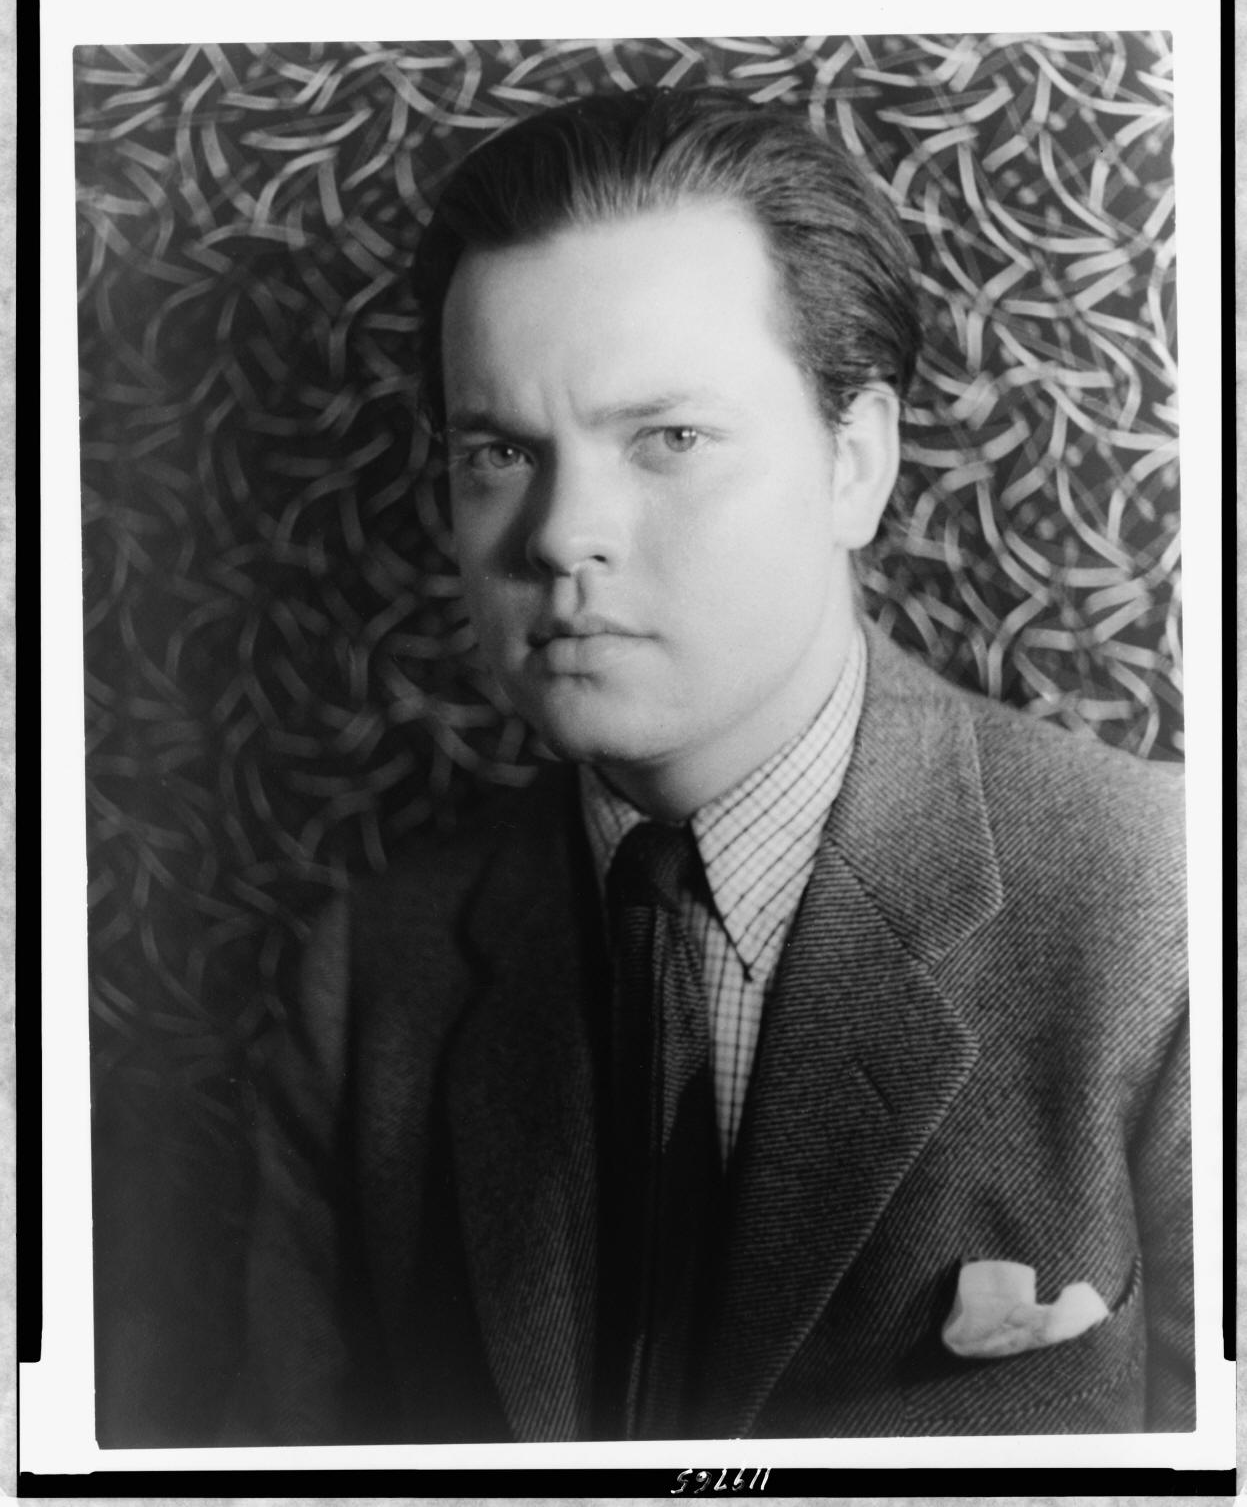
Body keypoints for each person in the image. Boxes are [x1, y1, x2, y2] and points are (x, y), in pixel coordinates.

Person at [239, 84, 1192, 1443]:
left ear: (855, 463)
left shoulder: (1167, 915)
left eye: (669, 439)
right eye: (499, 451)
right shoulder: (368, 989)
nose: (561, 533)